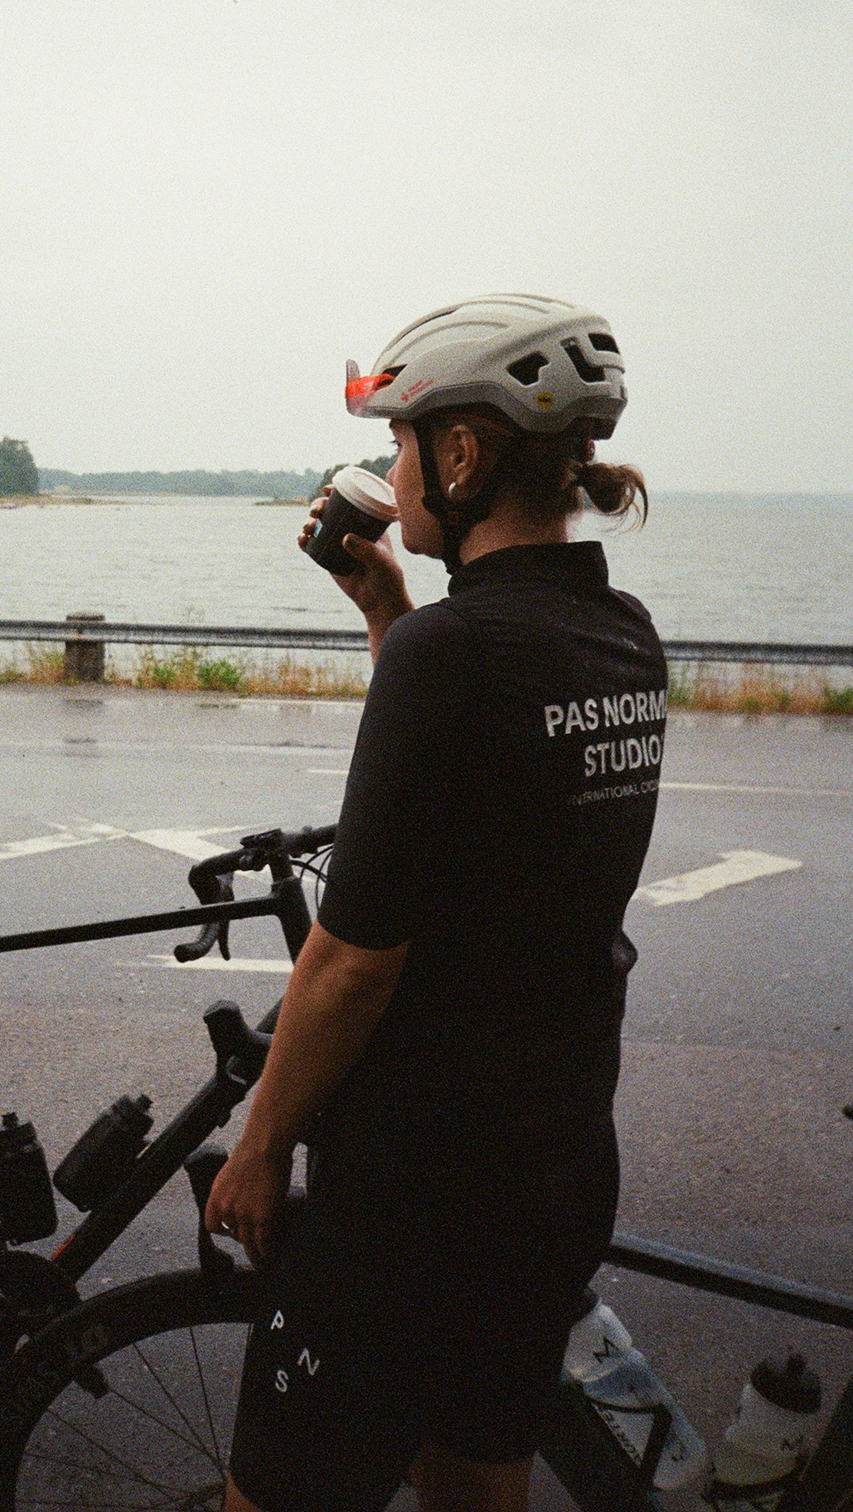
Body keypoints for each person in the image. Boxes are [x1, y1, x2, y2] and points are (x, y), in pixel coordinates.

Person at [206, 294, 665, 1512]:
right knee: (473, 1475)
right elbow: (475, 790)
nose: (393, 470)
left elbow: (353, 962)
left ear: (462, 453)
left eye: (402, 441)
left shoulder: (451, 655)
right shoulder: (620, 635)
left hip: (412, 1189)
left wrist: (261, 1143)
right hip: (554, 1158)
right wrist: (383, 610)